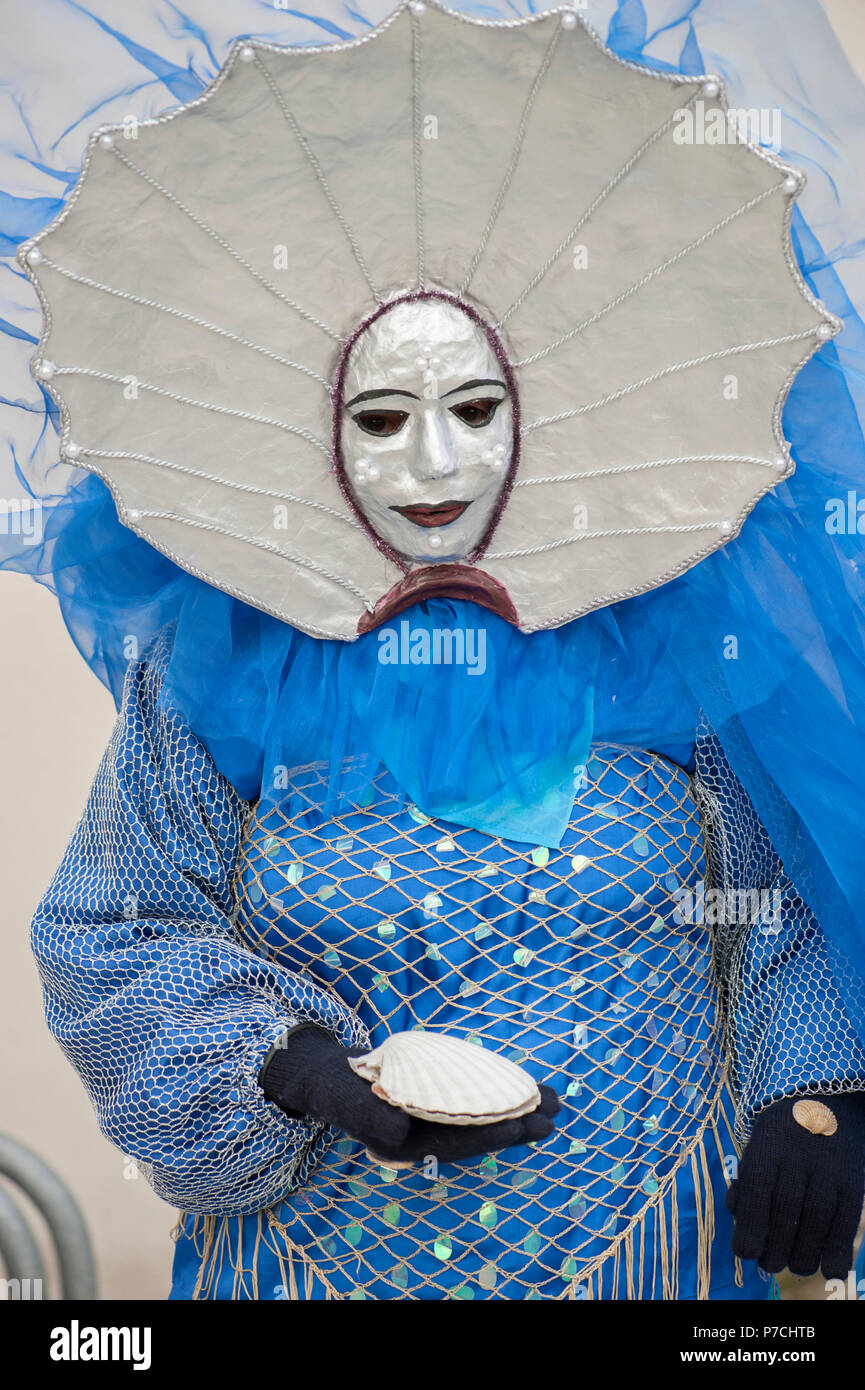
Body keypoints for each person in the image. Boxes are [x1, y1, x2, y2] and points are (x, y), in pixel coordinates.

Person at [9, 0, 865, 1300]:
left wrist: (821, 1102)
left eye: (473, 407)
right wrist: (290, 1064)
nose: (431, 463)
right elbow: (116, 924)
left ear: (534, 410)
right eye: (382, 414)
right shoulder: (228, 655)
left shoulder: (678, 624)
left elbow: (785, 896)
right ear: (320, 429)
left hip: (663, 1267)